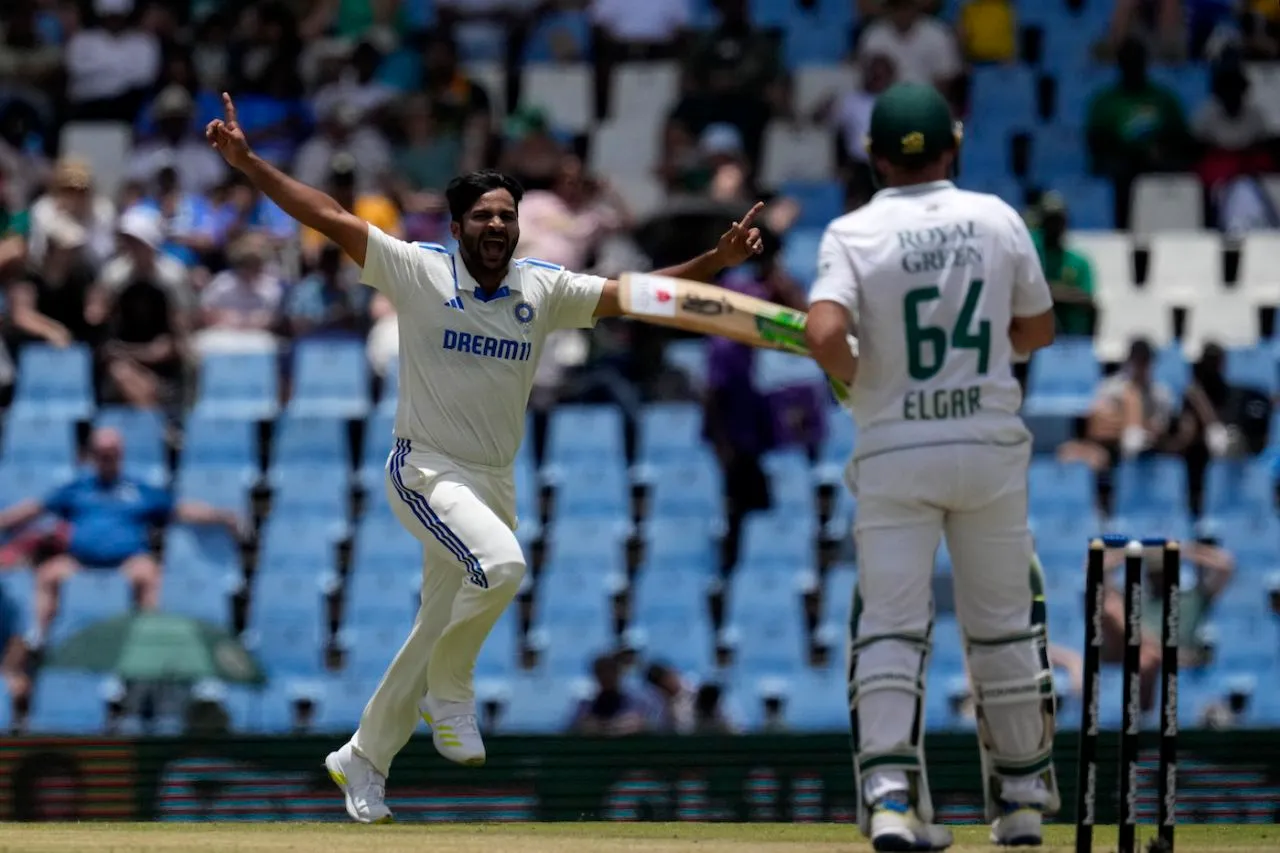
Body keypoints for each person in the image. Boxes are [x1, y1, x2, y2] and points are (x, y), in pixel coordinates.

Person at [204, 91, 765, 824]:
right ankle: (451, 692)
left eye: (507, 215)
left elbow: (639, 298)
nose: (497, 225)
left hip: (494, 480)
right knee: (502, 567)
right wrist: (250, 165)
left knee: (435, 620)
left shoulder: (543, 287)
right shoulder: (418, 270)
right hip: (425, 468)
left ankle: (364, 757)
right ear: (458, 225)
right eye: (484, 216)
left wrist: (716, 261)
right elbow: (329, 216)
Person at [804, 83, 1058, 849]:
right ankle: (1018, 803)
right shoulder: (996, 217)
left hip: (893, 451)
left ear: (875, 157)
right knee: (1005, 623)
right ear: (952, 147)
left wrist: (860, 375)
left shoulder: (851, 231)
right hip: (986, 446)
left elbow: (821, 332)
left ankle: (889, 800)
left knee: (890, 623)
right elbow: (1040, 328)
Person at [0, 428, 242, 649]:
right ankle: (41, 639)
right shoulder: (77, 489)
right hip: (80, 562)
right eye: (101, 453)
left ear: (120, 454)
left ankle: (150, 640)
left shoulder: (138, 490)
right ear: (92, 456)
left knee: (149, 575)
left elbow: (180, 509)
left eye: (111, 453)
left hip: (127, 562)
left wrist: (220, 515)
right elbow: (35, 508)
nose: (106, 458)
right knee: (47, 575)